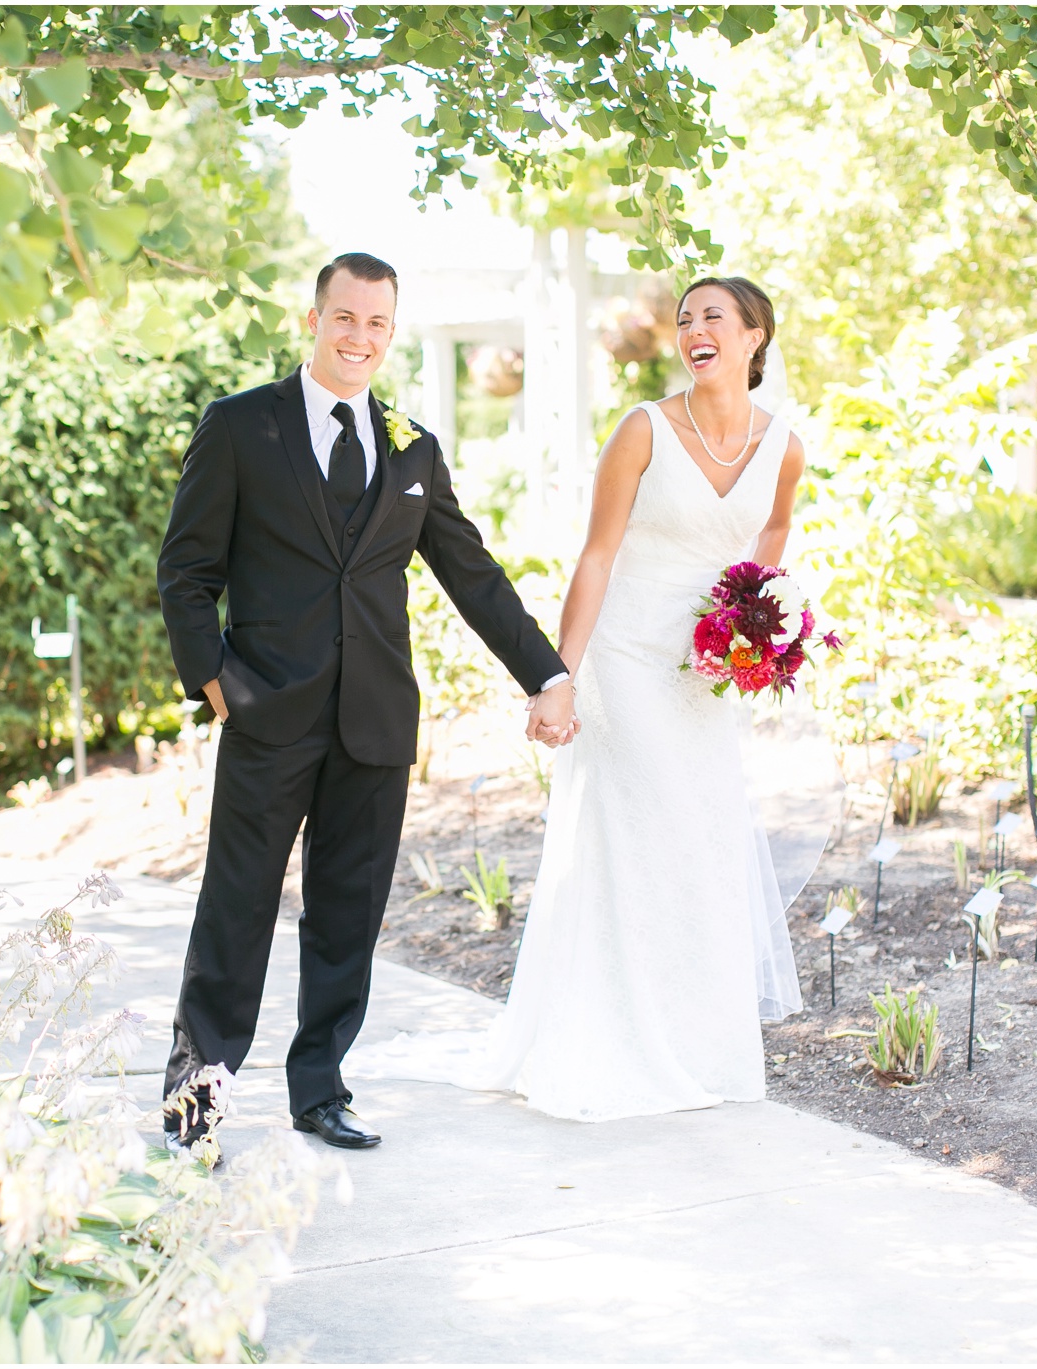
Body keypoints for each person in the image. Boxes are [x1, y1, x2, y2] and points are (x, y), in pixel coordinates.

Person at [349, 276, 808, 1121]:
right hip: (626, 657)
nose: (694, 330)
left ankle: (697, 1044)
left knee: (701, 838)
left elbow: (770, 536)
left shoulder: (784, 446)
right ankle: (612, 1039)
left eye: (714, 317)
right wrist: (558, 677)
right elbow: (596, 557)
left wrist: (755, 619)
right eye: (684, 320)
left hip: (703, 669)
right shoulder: (641, 431)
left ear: (754, 337)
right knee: (633, 831)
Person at [155, 251, 575, 1158]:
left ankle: (321, 1090)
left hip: (377, 721)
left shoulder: (412, 444)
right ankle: (196, 1098)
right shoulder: (239, 428)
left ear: (392, 332)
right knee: (236, 911)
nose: (360, 337)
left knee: (348, 916)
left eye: (378, 324)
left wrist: (545, 672)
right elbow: (186, 572)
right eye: (345, 318)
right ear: (314, 320)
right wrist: (215, 683)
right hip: (267, 714)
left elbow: (472, 574)